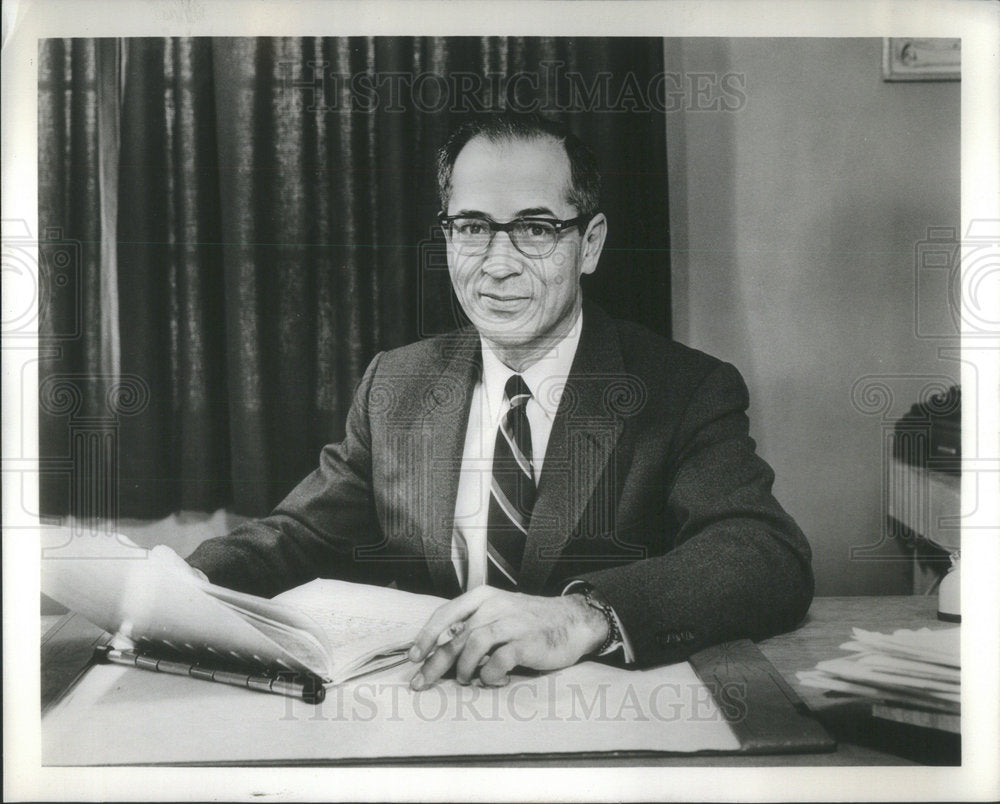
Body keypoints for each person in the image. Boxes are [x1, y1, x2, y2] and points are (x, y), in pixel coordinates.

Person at [186, 112, 814, 690]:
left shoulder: (683, 390)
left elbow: (763, 556)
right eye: (473, 227)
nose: (497, 264)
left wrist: (580, 616)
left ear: (589, 244)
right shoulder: (396, 385)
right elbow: (297, 538)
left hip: (599, 726)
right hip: (427, 711)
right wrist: (176, 586)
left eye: (536, 229)